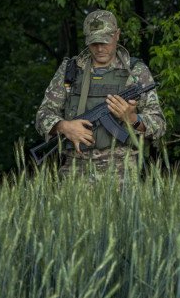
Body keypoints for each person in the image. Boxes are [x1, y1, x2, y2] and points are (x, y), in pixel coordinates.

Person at [35, 10, 167, 181]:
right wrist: (64, 127)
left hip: (122, 174)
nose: (99, 48)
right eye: (94, 42)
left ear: (117, 35)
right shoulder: (71, 70)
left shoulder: (135, 71)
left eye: (105, 41)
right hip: (75, 173)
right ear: (86, 40)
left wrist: (132, 118)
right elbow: (42, 116)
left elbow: (159, 125)